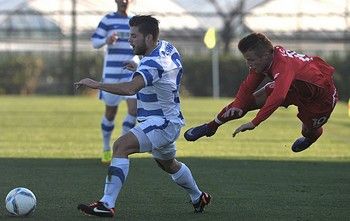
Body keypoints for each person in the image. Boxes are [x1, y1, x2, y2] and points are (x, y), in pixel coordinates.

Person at [75, 15, 211, 217]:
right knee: (169, 165)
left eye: (133, 36)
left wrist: (97, 84)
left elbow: (131, 89)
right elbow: (165, 73)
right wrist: (139, 67)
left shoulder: (152, 63)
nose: (129, 40)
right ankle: (198, 196)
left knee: (121, 146)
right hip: (168, 120)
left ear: (148, 38)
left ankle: (107, 203)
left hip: (161, 123)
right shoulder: (166, 47)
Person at [184, 32, 337, 153]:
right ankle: (210, 127)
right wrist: (238, 105)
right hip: (291, 88)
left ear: (265, 56)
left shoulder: (283, 65)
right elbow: (247, 87)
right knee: (245, 103)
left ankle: (310, 138)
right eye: (246, 59)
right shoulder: (266, 59)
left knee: (308, 131)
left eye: (250, 60)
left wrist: (254, 122)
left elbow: (279, 96)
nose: (248, 64)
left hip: (320, 98)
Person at [91, 0, 138, 164]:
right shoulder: (107, 20)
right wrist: (106, 40)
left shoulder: (135, 21)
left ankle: (121, 147)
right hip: (111, 74)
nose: (124, 1)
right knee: (110, 113)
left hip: (130, 73)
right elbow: (94, 42)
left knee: (134, 109)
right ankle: (106, 148)